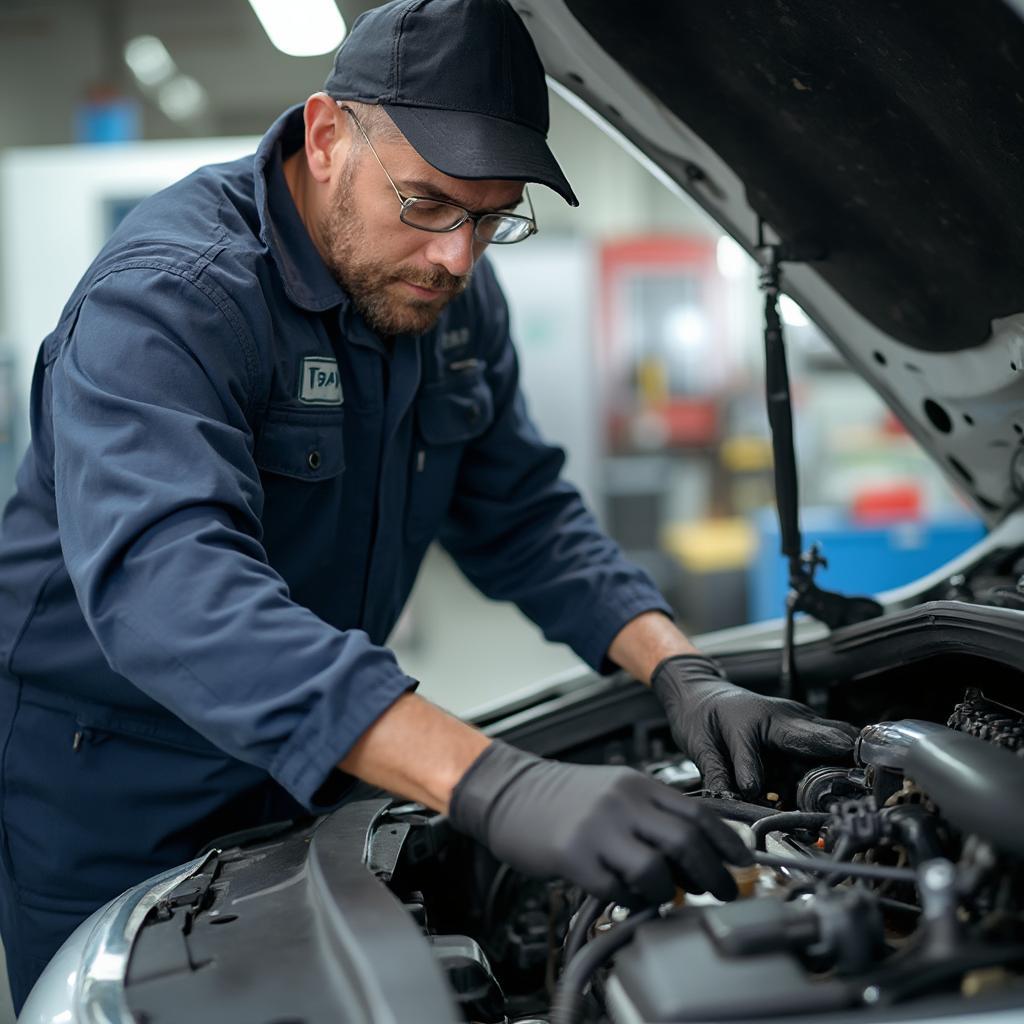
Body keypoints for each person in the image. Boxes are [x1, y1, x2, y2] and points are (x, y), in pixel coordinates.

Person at [0, 0, 857, 1010]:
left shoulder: (445, 297)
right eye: (427, 204)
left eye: (492, 218)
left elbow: (525, 514)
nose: (459, 256)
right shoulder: (172, 298)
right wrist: (498, 781)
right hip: (114, 777)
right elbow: (169, 587)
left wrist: (683, 672)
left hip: (312, 752)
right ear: (325, 138)